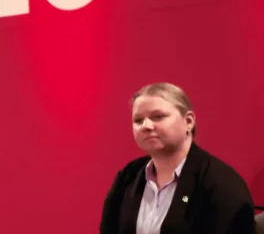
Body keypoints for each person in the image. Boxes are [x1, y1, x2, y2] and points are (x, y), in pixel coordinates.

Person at [99, 82, 256, 234]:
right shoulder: (128, 177)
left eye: (158, 116)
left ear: (188, 121)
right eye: (138, 120)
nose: (146, 126)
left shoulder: (221, 184)